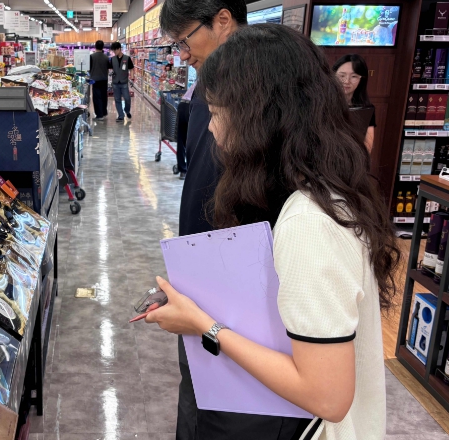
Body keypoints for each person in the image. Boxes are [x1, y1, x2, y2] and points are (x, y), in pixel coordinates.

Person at [144, 24, 399, 440]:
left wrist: (203, 325)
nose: (211, 128)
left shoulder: (309, 224)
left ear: (258, 117)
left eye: (218, 113)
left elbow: (327, 397)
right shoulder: (317, 187)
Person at [158, 0, 247, 439]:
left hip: (238, 294)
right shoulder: (204, 92)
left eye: (185, 39)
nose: (183, 54)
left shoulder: (264, 101)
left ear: (223, 21)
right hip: (201, 279)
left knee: (223, 410)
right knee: (195, 399)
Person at [332, 54, 376, 152]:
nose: (346, 81)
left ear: (361, 79)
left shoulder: (366, 109)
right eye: (341, 75)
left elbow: (367, 146)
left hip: (352, 157)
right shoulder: (322, 104)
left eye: (354, 76)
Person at [109, 41, 135, 121]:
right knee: (117, 99)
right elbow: (110, 69)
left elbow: (131, 69)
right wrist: (111, 73)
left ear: (119, 49)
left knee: (127, 98)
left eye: (115, 50)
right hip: (115, 82)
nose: (114, 52)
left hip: (124, 82)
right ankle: (121, 115)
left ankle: (127, 111)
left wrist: (132, 78)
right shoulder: (112, 59)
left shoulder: (127, 58)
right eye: (113, 50)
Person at [89, 40, 110, 119]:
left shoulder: (91, 56)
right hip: (104, 79)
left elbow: (89, 68)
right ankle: (104, 112)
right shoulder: (106, 57)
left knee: (97, 97)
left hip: (95, 79)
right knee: (104, 96)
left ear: (95, 46)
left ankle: (99, 115)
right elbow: (108, 68)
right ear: (103, 47)